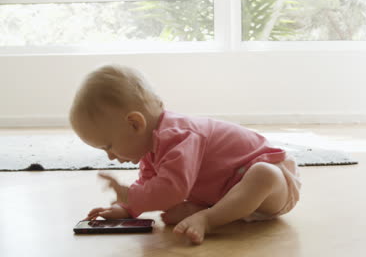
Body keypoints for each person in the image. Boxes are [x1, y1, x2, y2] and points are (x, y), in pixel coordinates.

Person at [69, 64, 301, 244]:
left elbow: (172, 189)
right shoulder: (152, 150)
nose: (110, 157)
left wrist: (131, 196)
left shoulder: (178, 136)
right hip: (225, 194)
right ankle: (212, 210)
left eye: (108, 146)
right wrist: (126, 209)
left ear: (134, 124)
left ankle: (208, 218)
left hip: (272, 190)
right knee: (172, 215)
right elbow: (150, 184)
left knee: (263, 174)